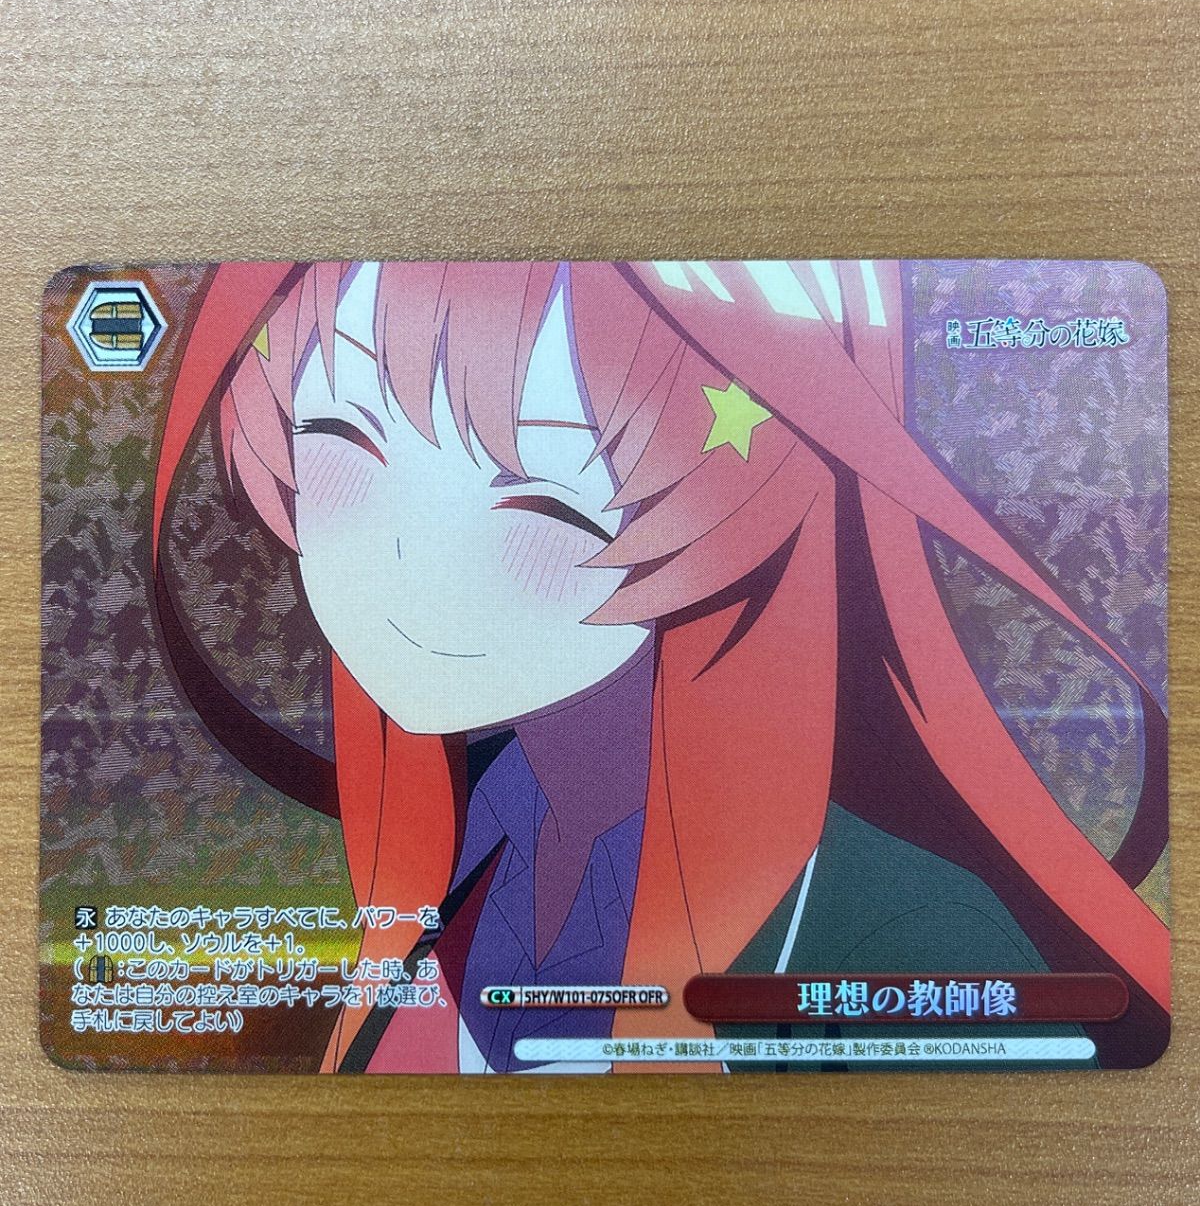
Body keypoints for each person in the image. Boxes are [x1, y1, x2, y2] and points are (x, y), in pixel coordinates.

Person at [150, 259, 1169, 1072]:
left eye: (543, 506)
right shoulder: (473, 823)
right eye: (338, 440)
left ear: (736, 523)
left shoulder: (904, 928)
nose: (405, 569)